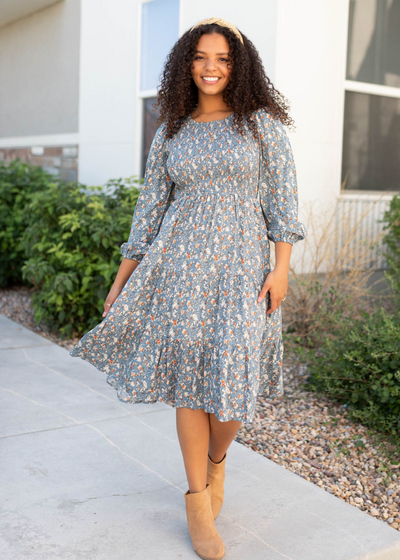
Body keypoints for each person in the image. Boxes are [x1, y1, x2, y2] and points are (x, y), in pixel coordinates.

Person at [69, 16, 306, 560]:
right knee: (187, 384)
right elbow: (149, 211)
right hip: (178, 270)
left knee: (231, 383)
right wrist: (122, 277)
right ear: (186, 64)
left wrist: (282, 267)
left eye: (222, 59)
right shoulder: (172, 130)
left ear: (239, 66)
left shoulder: (260, 126)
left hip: (243, 271)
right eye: (201, 57)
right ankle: (198, 502)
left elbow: (284, 202)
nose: (211, 68)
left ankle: (217, 463)